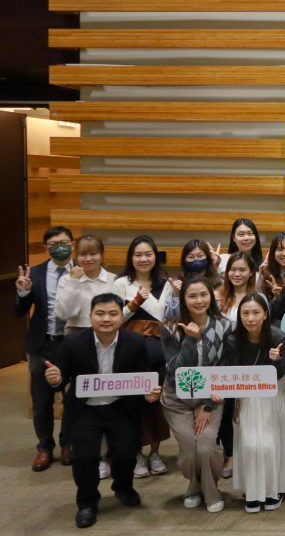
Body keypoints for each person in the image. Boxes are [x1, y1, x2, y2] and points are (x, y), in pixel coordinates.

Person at [44, 293, 161, 528]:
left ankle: (123, 487)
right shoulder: (73, 342)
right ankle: (87, 503)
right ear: (90, 316)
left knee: (126, 453)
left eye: (112, 313)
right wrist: (55, 378)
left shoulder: (135, 342)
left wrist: (148, 393)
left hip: (120, 406)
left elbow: (143, 377)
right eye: (100, 313)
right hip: (85, 409)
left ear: (121, 316)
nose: (106, 319)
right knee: (85, 457)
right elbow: (61, 374)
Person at [160, 277, 233, 513]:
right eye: (192, 296)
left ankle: (209, 492)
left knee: (206, 446)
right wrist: (190, 341)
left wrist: (206, 405)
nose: (199, 300)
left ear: (211, 296)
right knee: (190, 449)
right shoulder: (170, 327)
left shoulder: (224, 326)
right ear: (183, 299)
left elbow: (223, 368)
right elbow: (174, 372)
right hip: (176, 399)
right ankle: (194, 487)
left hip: (210, 398)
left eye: (203, 295)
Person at [223, 293, 285, 513]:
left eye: (255, 312)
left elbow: (281, 374)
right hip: (246, 394)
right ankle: (252, 491)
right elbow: (230, 373)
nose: (250, 318)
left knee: (271, 443)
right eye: (245, 313)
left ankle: (274, 489)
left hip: (274, 392)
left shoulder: (278, 336)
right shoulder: (233, 340)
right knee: (250, 444)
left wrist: (276, 361)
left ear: (265, 315)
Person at [15, 225, 75, 472]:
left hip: (71, 345)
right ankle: (44, 447)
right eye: (53, 245)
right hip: (42, 344)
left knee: (73, 399)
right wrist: (23, 292)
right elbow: (19, 312)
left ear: (73, 244)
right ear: (46, 248)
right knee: (41, 401)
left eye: (63, 242)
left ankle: (68, 443)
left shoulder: (82, 272)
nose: (59, 247)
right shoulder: (35, 274)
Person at [112, 235, 171, 479]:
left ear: (155, 256)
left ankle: (155, 452)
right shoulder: (121, 283)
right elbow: (114, 318)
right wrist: (134, 303)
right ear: (131, 258)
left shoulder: (166, 284)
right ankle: (136, 453)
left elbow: (168, 317)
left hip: (158, 353)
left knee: (155, 404)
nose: (143, 259)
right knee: (132, 403)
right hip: (129, 353)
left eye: (148, 254)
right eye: (138, 254)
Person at [56, 235, 116, 332]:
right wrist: (73, 282)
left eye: (93, 253)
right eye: (83, 254)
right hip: (76, 334)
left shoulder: (115, 280)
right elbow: (64, 314)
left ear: (102, 255)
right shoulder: (67, 280)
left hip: (108, 333)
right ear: (76, 256)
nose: (88, 259)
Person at [162, 240, 223, 323]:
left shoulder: (219, 283)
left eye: (200, 256)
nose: (196, 260)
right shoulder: (178, 283)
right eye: (191, 257)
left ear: (208, 258)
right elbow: (170, 316)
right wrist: (175, 296)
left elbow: (223, 317)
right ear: (184, 260)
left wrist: (216, 304)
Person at [219, 252, 256, 322]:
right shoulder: (218, 297)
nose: (237, 274)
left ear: (251, 272)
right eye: (233, 269)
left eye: (242, 270)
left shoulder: (259, 297)